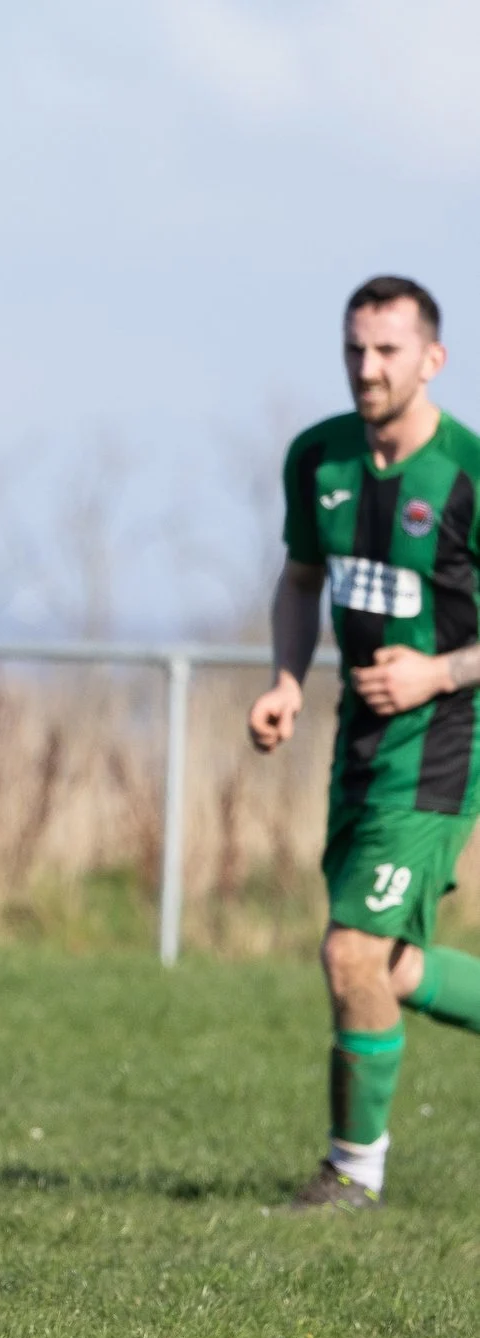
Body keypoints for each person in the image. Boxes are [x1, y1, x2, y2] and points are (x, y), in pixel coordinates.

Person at [249, 275, 480, 1210]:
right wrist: (285, 679)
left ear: (432, 359)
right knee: (385, 962)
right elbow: (302, 579)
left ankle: (353, 1171)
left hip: (446, 742)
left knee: (350, 952)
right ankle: (354, 1166)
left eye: (387, 350)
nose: (367, 367)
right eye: (355, 348)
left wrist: (440, 672)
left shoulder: (466, 471)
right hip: (360, 743)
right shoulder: (319, 458)